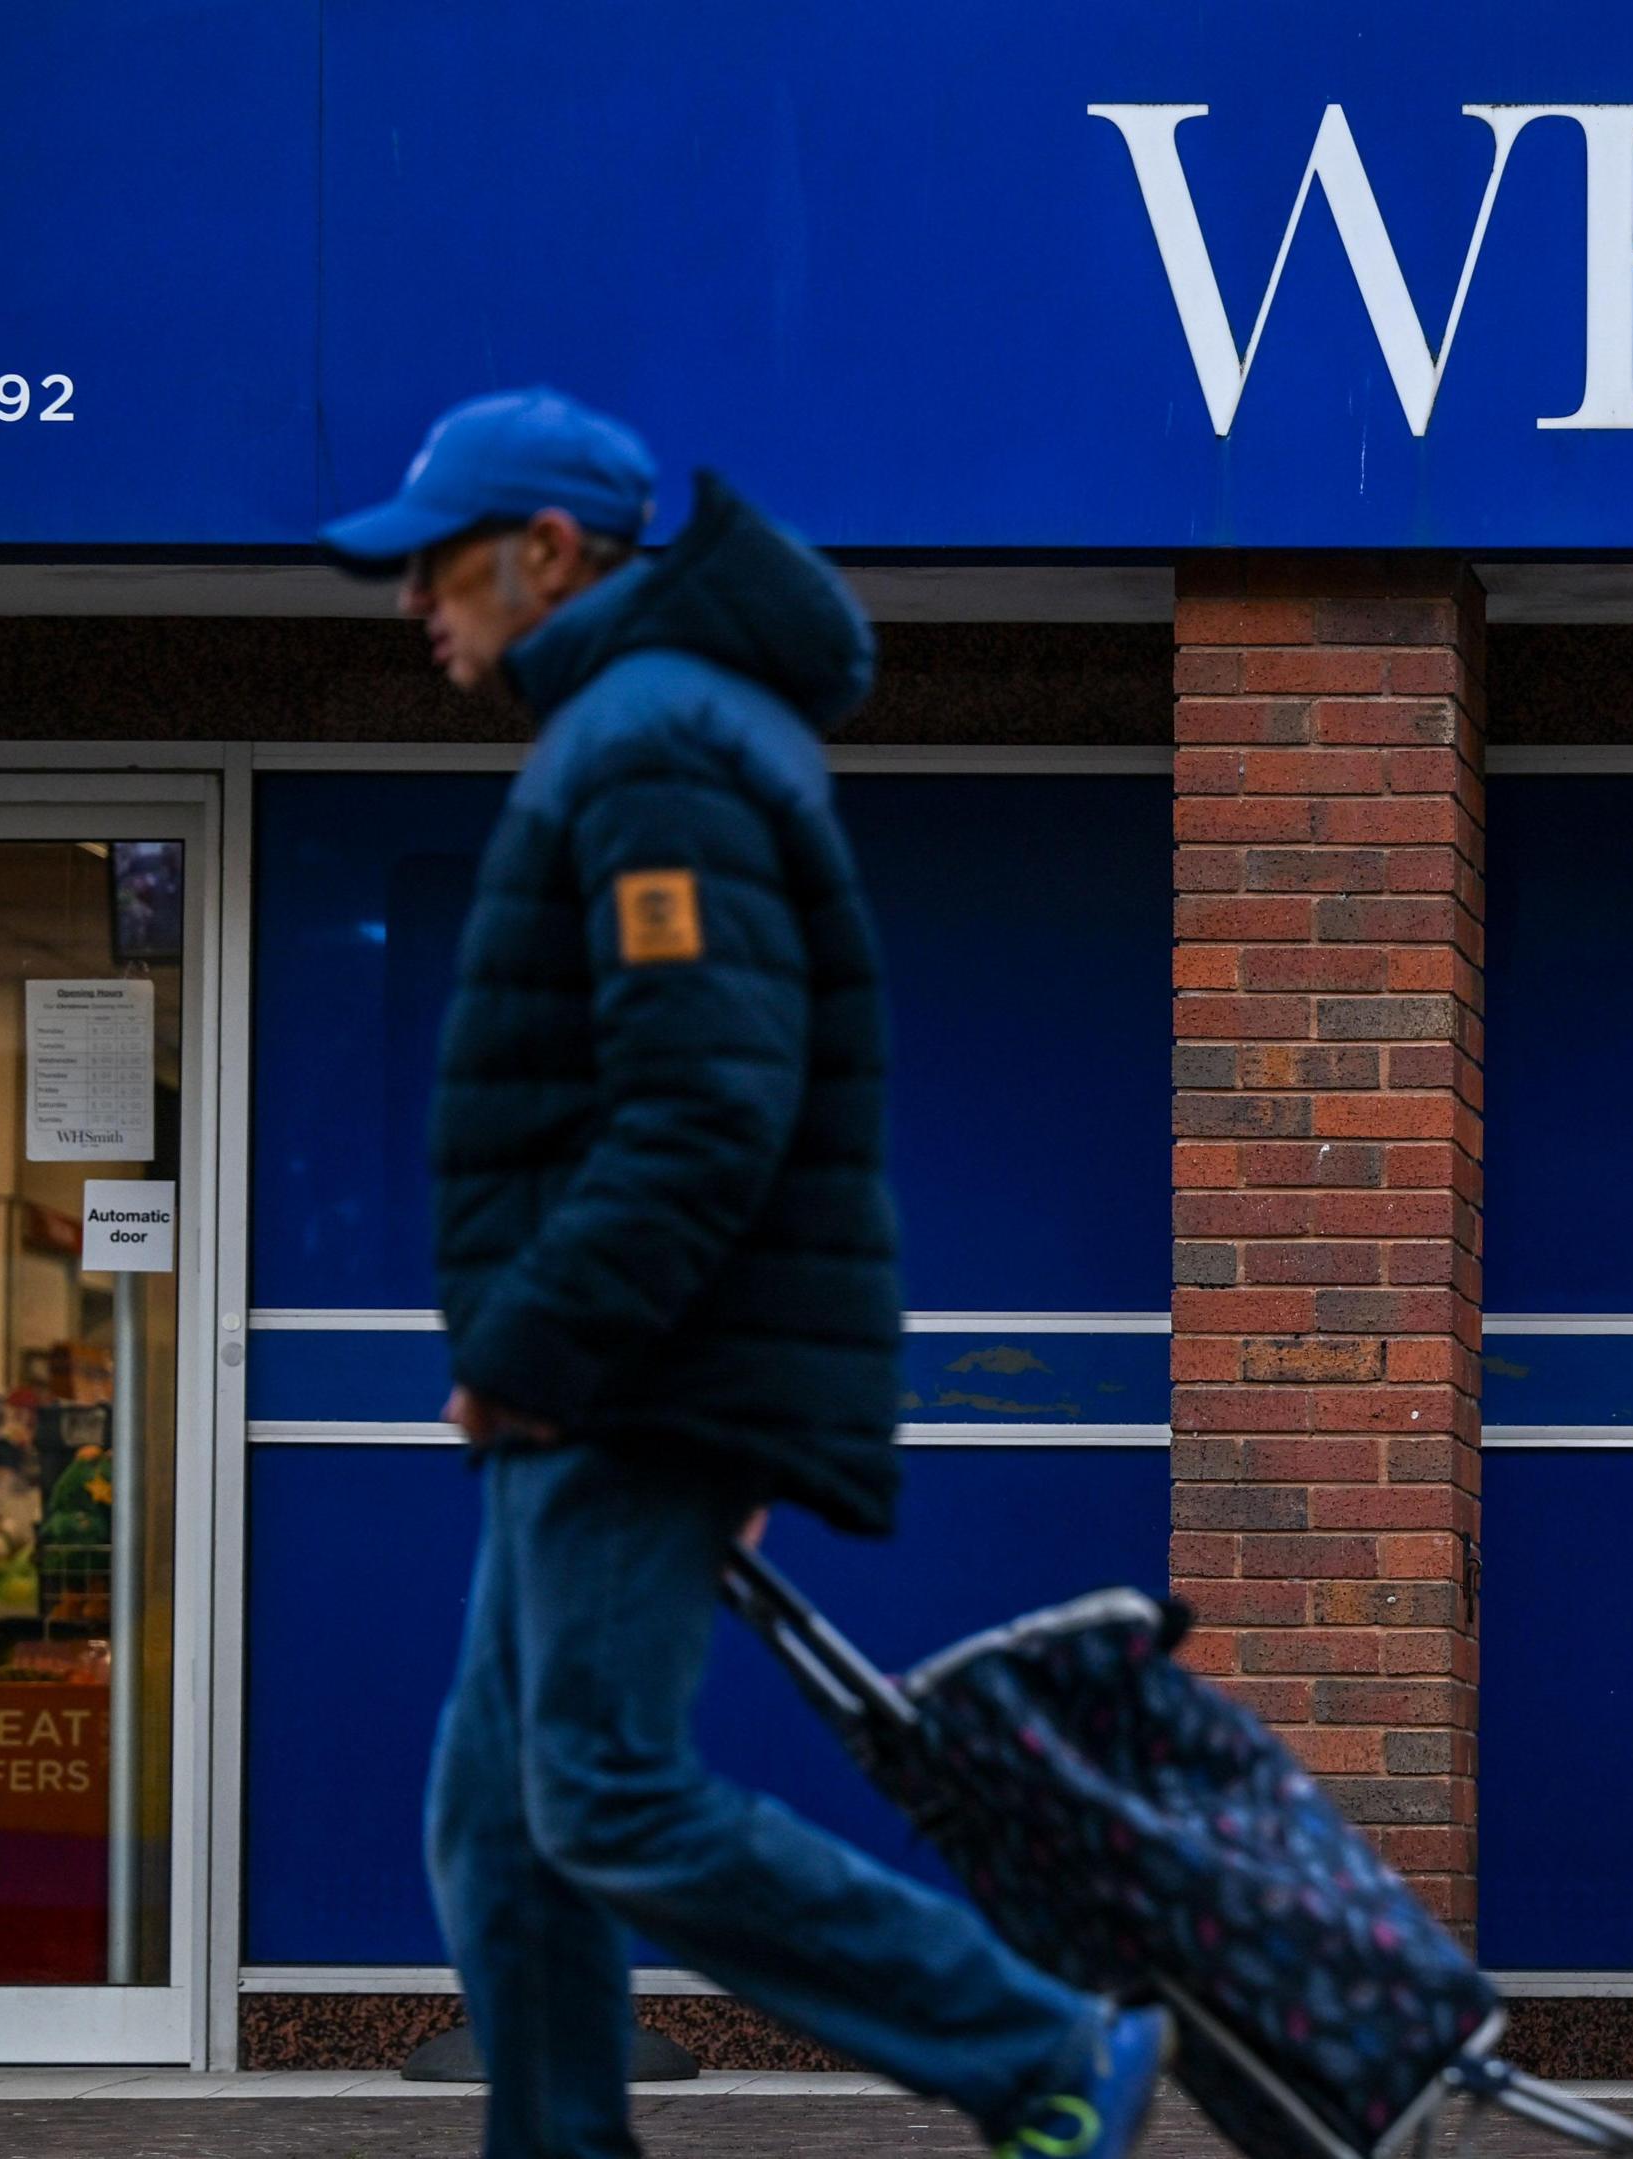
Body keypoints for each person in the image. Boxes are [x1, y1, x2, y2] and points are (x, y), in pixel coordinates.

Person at [322, 388, 1167, 2159]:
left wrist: (551, 1349)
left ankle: (1043, 2051)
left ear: (545, 552)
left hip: (621, 1381)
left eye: (434, 563)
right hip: (624, 1378)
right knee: (503, 1820)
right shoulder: (638, 730)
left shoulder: (652, 748)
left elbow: (709, 1104)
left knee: (606, 1798)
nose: (412, 602)